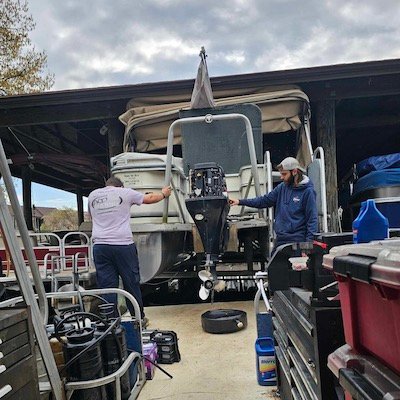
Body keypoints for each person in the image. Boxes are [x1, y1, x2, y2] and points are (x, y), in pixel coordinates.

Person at [88, 176, 172, 325]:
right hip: (122, 245)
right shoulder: (125, 193)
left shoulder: (93, 196)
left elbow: (92, 216)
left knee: (107, 286)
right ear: (120, 186)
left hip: (100, 246)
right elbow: (149, 198)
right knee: (131, 282)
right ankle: (137, 318)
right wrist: (164, 193)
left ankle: (111, 322)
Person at [229, 157, 318, 253]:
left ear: (295, 172)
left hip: (297, 241)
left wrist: (308, 247)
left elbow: (312, 219)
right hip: (281, 239)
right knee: (272, 267)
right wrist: (239, 201)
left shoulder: (308, 192)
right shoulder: (282, 187)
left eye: (284, 174)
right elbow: (264, 201)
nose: (281, 177)